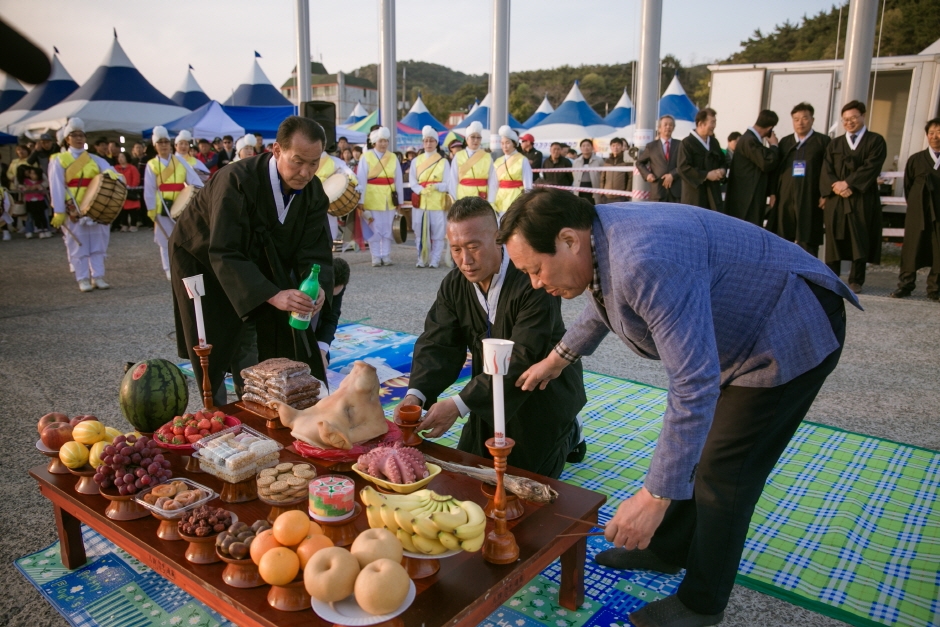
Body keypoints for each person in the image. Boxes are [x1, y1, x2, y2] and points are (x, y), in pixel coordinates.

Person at [499, 187, 858, 627]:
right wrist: (559, 358)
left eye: (535, 269)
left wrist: (654, 496)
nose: (536, 283)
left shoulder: (644, 260)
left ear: (569, 240)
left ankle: (702, 605)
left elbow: (693, 382)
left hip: (787, 327)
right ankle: (669, 549)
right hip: (738, 332)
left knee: (725, 473)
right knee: (700, 450)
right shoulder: (599, 234)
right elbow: (603, 299)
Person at [394, 196, 586, 477]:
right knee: (466, 472)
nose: (465, 260)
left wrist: (458, 405)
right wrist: (416, 395)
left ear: (498, 238)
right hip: (486, 393)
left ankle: (570, 431)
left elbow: (523, 354)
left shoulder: (533, 279)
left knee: (522, 483)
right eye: (456, 249)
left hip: (541, 395)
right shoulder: (455, 284)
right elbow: (438, 343)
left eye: (474, 247)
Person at [169, 116, 334, 406]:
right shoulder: (235, 181)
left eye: (314, 163)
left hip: (256, 261)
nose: (306, 173)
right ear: (277, 150)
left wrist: (316, 283)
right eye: (297, 161)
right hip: (202, 258)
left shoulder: (313, 192)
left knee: (257, 328)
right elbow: (224, 250)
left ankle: (255, 398)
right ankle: (215, 408)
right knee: (213, 336)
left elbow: (314, 249)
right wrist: (272, 293)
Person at [820, 100, 887, 293]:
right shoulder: (835, 144)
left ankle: (856, 280)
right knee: (834, 238)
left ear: (863, 116)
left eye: (854, 118)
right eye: (845, 119)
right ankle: (832, 277)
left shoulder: (875, 141)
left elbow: (872, 166)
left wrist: (847, 183)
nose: (849, 122)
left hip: (861, 198)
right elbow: (826, 168)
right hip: (836, 198)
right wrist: (837, 186)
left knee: (860, 236)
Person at [49, 118, 120, 292]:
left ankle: (98, 276)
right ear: (68, 139)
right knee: (77, 244)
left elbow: (111, 171)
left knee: (98, 242)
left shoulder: (95, 159)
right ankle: (82, 278)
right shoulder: (59, 160)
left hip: (94, 204)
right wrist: (58, 211)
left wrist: (112, 173)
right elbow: (56, 186)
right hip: (73, 205)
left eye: (82, 135)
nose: (79, 139)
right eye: (75, 135)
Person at [768, 102, 830, 257]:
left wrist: (825, 193)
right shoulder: (786, 142)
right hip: (786, 194)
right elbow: (777, 170)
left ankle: (810, 274)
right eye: (796, 119)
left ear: (812, 119)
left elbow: (828, 169)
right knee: (784, 232)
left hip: (811, 193)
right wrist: (773, 192)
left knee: (808, 234)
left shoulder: (823, 142)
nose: (800, 123)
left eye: (804, 118)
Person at [144, 126, 204, 280]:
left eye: (166, 142)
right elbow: (149, 189)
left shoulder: (180, 161)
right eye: (160, 142)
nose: (164, 145)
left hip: (181, 204)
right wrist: (151, 210)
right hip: (162, 206)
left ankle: (182, 265)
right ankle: (168, 269)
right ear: (155, 145)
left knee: (184, 237)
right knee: (165, 241)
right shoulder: (151, 165)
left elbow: (194, 180)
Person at [890, 117, 940, 301]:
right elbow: (909, 186)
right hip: (918, 211)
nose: (935, 136)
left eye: (939, 132)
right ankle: (905, 285)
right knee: (912, 249)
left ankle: (934, 288)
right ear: (927, 135)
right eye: (931, 133)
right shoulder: (916, 159)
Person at [355, 126, 403, 267]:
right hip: (372, 196)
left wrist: (399, 199)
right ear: (375, 142)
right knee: (374, 227)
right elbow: (361, 179)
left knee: (388, 227)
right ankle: (375, 255)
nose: (383, 144)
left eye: (386, 141)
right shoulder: (366, 156)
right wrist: (361, 200)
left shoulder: (393, 157)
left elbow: (398, 179)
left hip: (388, 197)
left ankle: (386, 255)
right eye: (381, 141)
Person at [724, 110, 780, 226]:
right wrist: (774, 146)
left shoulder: (749, 139)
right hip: (746, 197)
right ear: (770, 128)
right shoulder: (749, 140)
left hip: (747, 195)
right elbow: (766, 163)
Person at [410, 125, 451, 268]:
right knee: (420, 231)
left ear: (436, 143)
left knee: (438, 232)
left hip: (437, 201)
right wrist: (420, 190)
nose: (428, 144)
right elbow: (412, 181)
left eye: (431, 141)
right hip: (421, 201)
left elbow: (448, 183)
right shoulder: (416, 161)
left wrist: (436, 186)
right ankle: (422, 258)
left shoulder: (443, 161)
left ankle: (435, 259)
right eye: (426, 141)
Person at [677, 108, 726, 211]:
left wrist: (722, 170)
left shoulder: (714, 142)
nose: (714, 126)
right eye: (712, 122)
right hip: (695, 194)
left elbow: (723, 161)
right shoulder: (687, 143)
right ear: (700, 124)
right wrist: (706, 175)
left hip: (713, 193)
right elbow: (683, 168)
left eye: (715, 122)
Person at [314, 139, 355, 241]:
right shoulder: (307, 160)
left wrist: (356, 182)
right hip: (311, 198)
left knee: (331, 227)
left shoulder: (334, 161)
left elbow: (349, 173)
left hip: (330, 197)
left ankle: (329, 252)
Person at [636, 116, 682, 203]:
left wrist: (672, 174)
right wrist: (647, 175)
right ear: (659, 128)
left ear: (673, 128)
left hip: (675, 191)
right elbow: (639, 163)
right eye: (665, 125)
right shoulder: (651, 146)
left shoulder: (680, 145)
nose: (668, 127)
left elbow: (684, 164)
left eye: (671, 125)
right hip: (658, 190)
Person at [490, 125, 533, 219]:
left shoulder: (522, 160)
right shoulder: (498, 162)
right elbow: (493, 184)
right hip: (500, 198)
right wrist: (491, 202)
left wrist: (526, 202)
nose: (505, 146)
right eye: (502, 143)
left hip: (517, 198)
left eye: (507, 143)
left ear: (514, 143)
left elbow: (528, 185)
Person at [448, 121, 497, 202]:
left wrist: (491, 202)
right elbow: (453, 180)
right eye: (473, 137)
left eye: (478, 137)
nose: (476, 140)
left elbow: (492, 181)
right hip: (462, 196)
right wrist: (454, 201)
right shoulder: (458, 156)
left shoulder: (487, 157)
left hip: (482, 197)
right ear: (467, 139)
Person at [316, 256, 350, 367]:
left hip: (318, 326)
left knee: (322, 360)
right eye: (328, 293)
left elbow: (331, 318)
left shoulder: (339, 285)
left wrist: (321, 351)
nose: (331, 298)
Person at [114, 152, 142, 233]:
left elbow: (136, 178)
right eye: (119, 157)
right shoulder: (115, 168)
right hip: (120, 191)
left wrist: (132, 187)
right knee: (122, 210)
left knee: (133, 209)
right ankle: (124, 224)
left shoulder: (132, 168)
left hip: (131, 191)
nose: (120, 159)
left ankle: (133, 224)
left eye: (122, 157)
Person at [599, 137, 631, 204]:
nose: (615, 148)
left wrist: (627, 193)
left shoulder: (626, 161)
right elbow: (602, 177)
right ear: (610, 147)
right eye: (613, 145)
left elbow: (630, 178)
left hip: (621, 196)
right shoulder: (607, 161)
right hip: (606, 195)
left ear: (622, 147)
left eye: (618, 145)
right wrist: (602, 192)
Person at [571, 138, 603, 204]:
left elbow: (603, 175)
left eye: (588, 145)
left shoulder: (599, 161)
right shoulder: (576, 162)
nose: (586, 147)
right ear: (580, 148)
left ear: (592, 147)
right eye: (583, 146)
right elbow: (574, 175)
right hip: (580, 190)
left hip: (594, 189)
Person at [21, 165, 50, 238]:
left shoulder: (41, 182)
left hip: (40, 200)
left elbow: (43, 192)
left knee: (42, 215)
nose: (32, 175)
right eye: (31, 173)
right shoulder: (26, 181)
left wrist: (39, 188)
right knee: (32, 216)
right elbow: (23, 190)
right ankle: (37, 230)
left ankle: (45, 229)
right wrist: (28, 188)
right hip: (30, 201)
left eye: (34, 173)